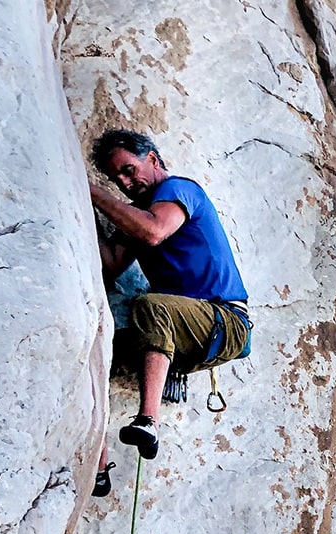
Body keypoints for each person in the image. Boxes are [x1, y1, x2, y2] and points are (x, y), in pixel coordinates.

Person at [87, 129, 252, 496]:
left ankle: (149, 420)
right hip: (188, 330)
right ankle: (97, 464)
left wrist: (96, 194)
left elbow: (154, 231)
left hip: (224, 320)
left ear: (153, 160)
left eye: (129, 170)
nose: (126, 183)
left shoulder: (179, 190)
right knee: (97, 347)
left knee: (150, 305)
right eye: (117, 179)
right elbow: (113, 262)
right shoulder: (139, 215)